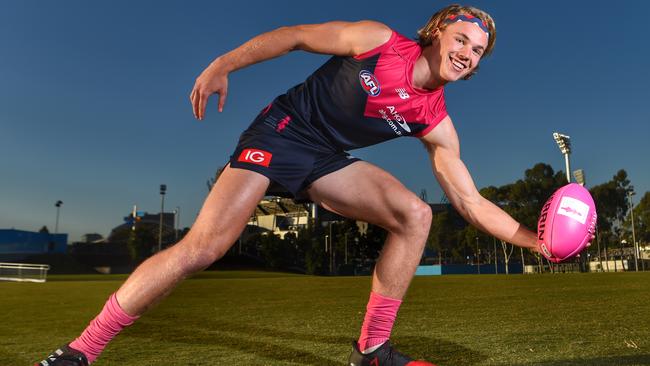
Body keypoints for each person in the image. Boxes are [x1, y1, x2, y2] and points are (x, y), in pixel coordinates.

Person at [37, 5, 541, 366]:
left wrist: (534, 241)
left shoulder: (435, 119)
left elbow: (470, 201)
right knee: (205, 248)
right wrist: (223, 64)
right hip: (281, 132)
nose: (468, 54)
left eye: (478, 52)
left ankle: (370, 351)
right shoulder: (376, 40)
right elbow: (296, 34)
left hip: (326, 161)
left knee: (417, 214)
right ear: (437, 32)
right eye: (462, 41)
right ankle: (82, 349)